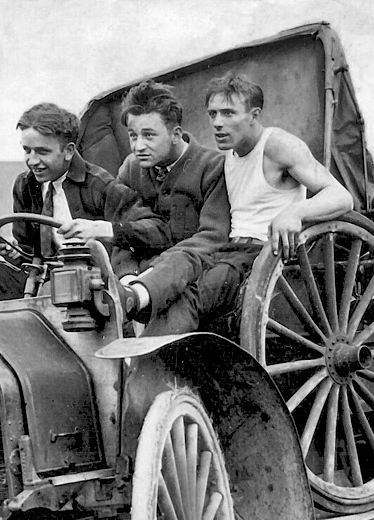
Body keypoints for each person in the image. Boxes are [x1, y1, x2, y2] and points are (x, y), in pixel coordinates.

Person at [140, 72, 355, 335]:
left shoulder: (276, 145)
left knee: (192, 297)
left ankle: (148, 370)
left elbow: (342, 197)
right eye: (213, 114)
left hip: (264, 257)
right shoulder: (229, 156)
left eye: (229, 113)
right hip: (230, 252)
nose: (218, 123)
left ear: (254, 115)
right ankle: (137, 303)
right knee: (173, 280)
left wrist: (295, 211)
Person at [0, 102, 170, 305]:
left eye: (43, 152)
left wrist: (102, 228)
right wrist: (13, 251)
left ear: (69, 151)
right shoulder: (25, 185)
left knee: (51, 289)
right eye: (27, 150)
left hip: (91, 283)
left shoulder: (99, 185)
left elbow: (157, 230)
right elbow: (28, 250)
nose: (32, 161)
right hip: (41, 278)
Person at [111, 81, 230, 327]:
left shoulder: (213, 167)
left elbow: (213, 237)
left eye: (149, 135)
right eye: (133, 136)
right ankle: (129, 298)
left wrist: (158, 271)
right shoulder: (131, 169)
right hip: (139, 279)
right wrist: (127, 277)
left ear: (175, 134)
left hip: (196, 272)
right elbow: (123, 235)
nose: (138, 146)